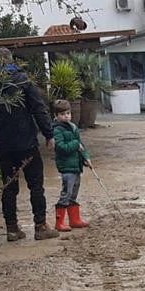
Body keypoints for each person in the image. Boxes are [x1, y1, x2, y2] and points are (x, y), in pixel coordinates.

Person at [0, 48, 60, 242]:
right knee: (36, 185)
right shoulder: (23, 81)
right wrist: (49, 134)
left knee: (9, 186)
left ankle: (12, 229)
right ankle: (40, 226)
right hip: (27, 142)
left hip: (4, 144)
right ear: (11, 61)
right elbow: (38, 108)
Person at [50, 99, 91, 232]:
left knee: (74, 192)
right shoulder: (57, 130)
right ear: (56, 116)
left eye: (68, 113)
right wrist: (75, 144)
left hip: (76, 166)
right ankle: (59, 222)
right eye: (62, 114)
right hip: (67, 167)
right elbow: (62, 148)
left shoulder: (73, 127)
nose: (66, 116)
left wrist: (86, 158)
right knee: (66, 193)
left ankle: (74, 219)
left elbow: (81, 145)